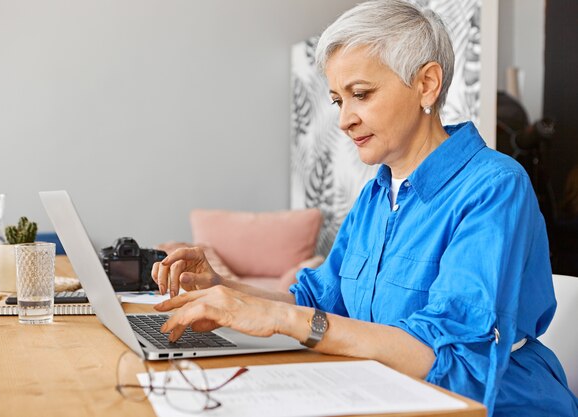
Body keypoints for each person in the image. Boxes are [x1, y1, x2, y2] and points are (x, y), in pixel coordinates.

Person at [151, 1, 578, 415]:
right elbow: (318, 300)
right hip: (382, 392)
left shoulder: (494, 188)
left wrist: (279, 317)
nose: (344, 120)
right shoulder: (376, 194)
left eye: (361, 94)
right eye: (339, 100)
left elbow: (456, 365)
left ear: (426, 84)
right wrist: (225, 287)